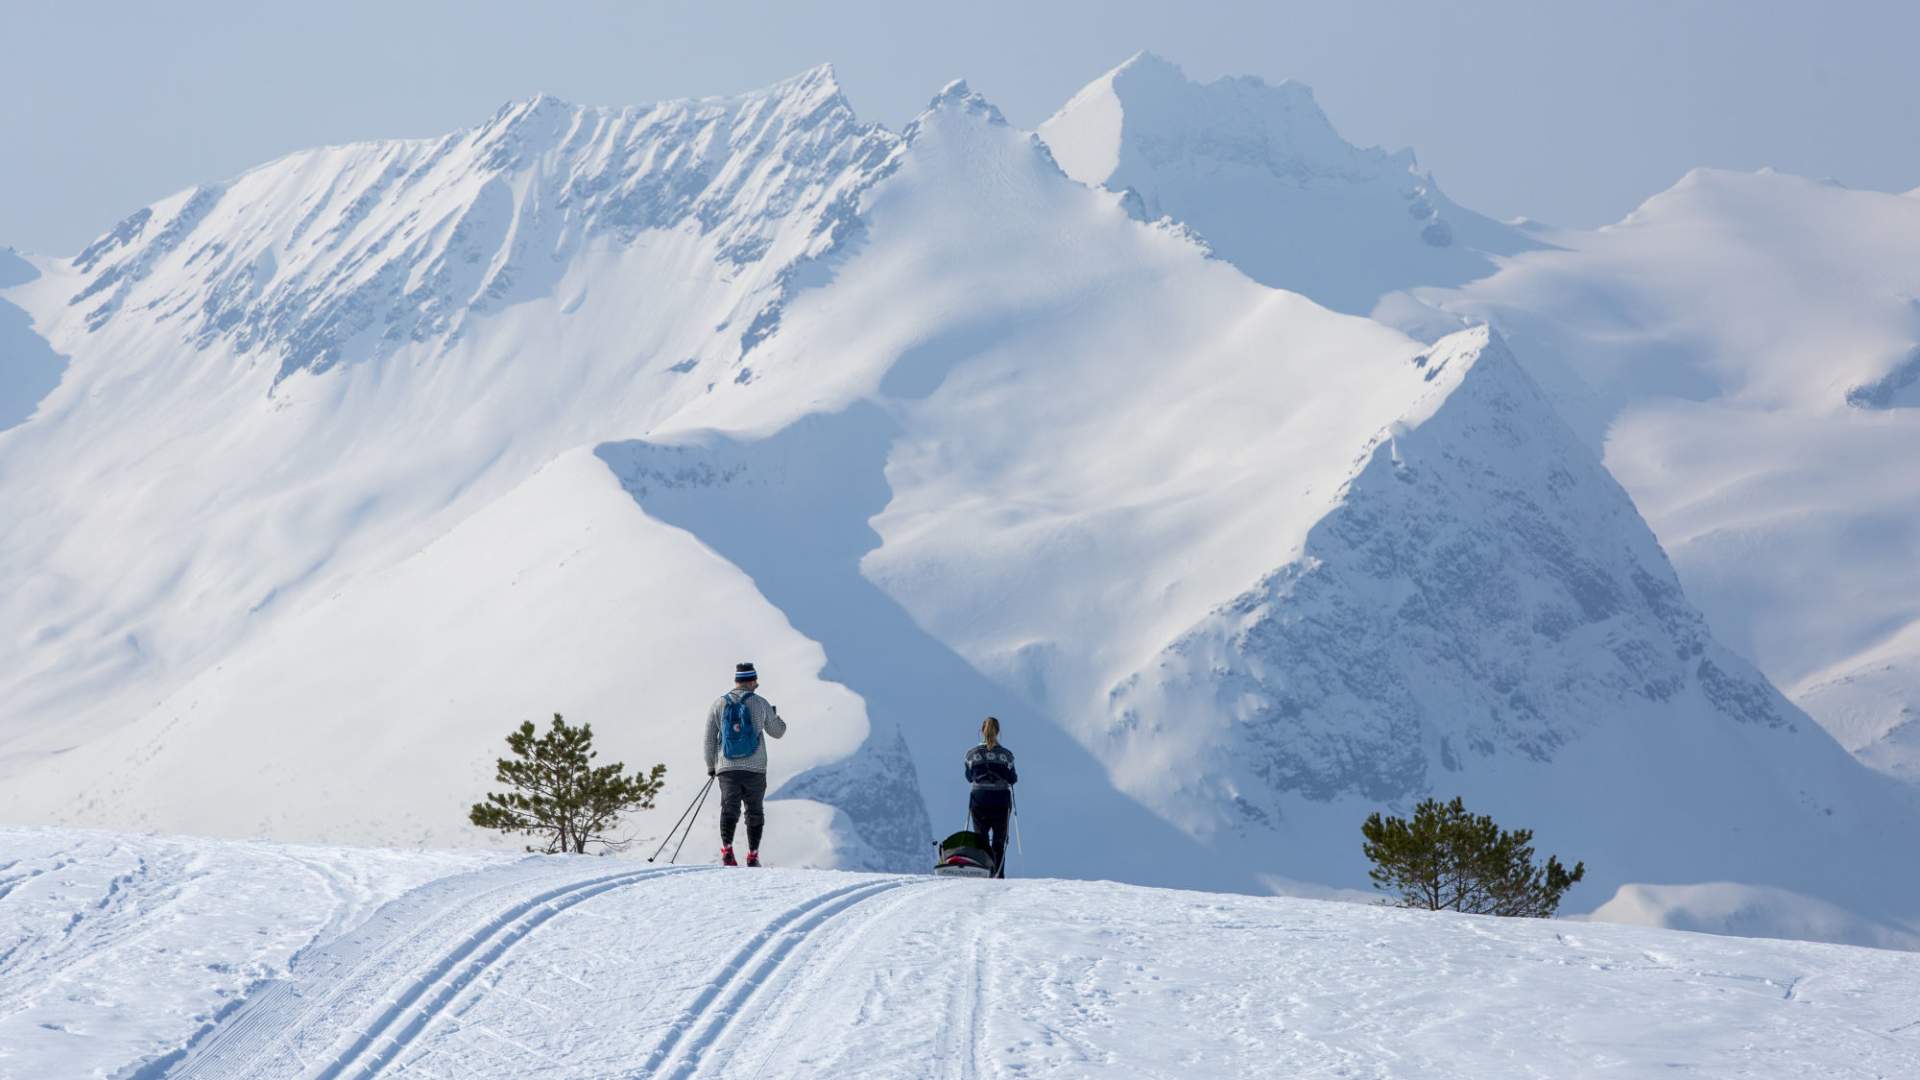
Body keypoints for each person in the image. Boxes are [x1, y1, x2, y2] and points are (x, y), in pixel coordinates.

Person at [705, 662, 787, 866]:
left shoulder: (719, 704)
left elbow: (709, 739)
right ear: (752, 681)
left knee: (729, 808)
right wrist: (776, 716)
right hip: (755, 767)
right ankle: (752, 855)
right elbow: (778, 732)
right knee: (754, 810)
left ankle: (727, 850)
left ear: (736, 680)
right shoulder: (760, 703)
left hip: (727, 767)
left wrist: (711, 767)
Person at [963, 716, 1018, 878]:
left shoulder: (971, 755)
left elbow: (969, 777)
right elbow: (1012, 778)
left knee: (981, 840)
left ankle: (983, 873)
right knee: (999, 842)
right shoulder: (1007, 756)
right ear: (998, 732)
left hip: (979, 800)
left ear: (981, 731)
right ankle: (998, 875)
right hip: (1001, 801)